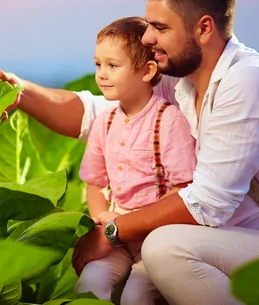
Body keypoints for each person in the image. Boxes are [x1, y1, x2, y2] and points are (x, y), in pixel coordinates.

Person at [0, 0, 259, 304]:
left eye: (159, 28)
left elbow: (206, 203)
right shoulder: (183, 80)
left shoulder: (248, 82)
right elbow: (101, 112)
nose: (146, 39)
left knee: (164, 248)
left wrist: (112, 231)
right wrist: (21, 93)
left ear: (203, 28)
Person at [73, 16, 196, 304]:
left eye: (113, 65)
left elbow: (185, 189)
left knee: (135, 297)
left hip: (157, 237)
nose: (101, 74)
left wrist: (127, 224)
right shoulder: (105, 122)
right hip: (115, 236)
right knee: (89, 285)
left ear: (147, 70)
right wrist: (102, 221)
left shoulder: (168, 120)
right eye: (98, 64)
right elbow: (95, 183)